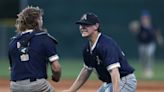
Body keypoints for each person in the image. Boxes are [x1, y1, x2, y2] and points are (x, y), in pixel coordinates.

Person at [63, 12, 137, 92]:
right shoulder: (87, 48)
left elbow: (114, 72)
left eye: (86, 25)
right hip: (110, 82)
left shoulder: (106, 45)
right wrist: (71, 90)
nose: (82, 27)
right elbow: (86, 70)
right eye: (81, 25)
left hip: (124, 80)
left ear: (96, 26)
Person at [8, 6, 61, 92]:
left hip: (15, 86)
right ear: (38, 21)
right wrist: (56, 77)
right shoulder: (44, 38)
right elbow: (56, 68)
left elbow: (12, 69)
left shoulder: (12, 41)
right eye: (41, 18)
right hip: (37, 85)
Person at [129, 10, 164, 79]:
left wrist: (160, 40)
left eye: (146, 18)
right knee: (143, 58)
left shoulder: (152, 26)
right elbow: (134, 31)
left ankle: (149, 70)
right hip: (142, 45)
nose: (145, 19)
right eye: (143, 18)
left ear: (149, 18)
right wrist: (133, 28)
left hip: (150, 44)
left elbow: (157, 33)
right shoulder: (140, 27)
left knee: (149, 55)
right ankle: (145, 71)